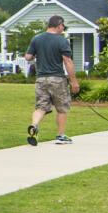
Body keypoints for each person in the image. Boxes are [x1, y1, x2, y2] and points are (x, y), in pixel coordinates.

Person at [26, 15, 79, 146]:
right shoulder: (61, 41)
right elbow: (67, 61)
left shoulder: (36, 39)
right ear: (58, 25)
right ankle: (60, 135)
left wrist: (38, 54)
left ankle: (34, 125)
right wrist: (74, 81)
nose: (63, 29)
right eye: (63, 26)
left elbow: (28, 57)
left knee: (41, 106)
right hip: (57, 79)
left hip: (41, 79)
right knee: (62, 108)